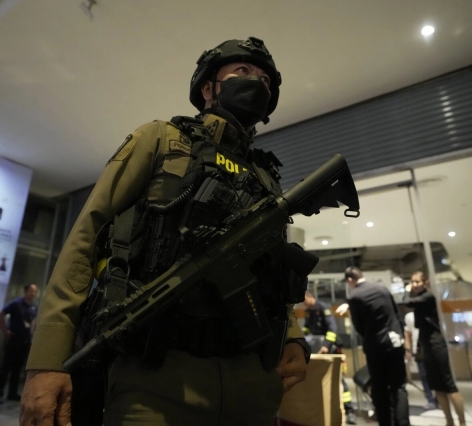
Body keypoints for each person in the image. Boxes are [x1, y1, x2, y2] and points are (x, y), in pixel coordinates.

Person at [21, 36, 313, 426]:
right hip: (157, 380)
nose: (256, 82)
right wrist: (48, 359)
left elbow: (272, 270)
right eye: (242, 71)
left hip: (254, 383)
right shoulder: (161, 140)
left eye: (265, 79)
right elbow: (86, 237)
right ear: (209, 87)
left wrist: (291, 335)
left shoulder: (265, 177)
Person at [340, 267, 409, 426]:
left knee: (380, 388)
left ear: (350, 280)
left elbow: (358, 327)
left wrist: (370, 336)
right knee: (399, 387)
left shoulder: (355, 296)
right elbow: (396, 315)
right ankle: (403, 423)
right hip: (395, 342)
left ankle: (385, 422)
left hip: (376, 345)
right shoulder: (382, 288)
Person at [404, 272, 465, 426]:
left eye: (417, 282)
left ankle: (462, 422)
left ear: (425, 282)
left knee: (448, 384)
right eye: (413, 282)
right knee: (437, 386)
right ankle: (449, 420)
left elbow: (407, 302)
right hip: (425, 343)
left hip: (436, 342)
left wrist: (406, 290)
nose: (415, 284)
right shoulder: (421, 300)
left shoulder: (428, 297)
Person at [304, 291, 357, 424]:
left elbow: (332, 330)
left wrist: (326, 345)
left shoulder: (323, 308)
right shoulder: (309, 311)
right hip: (317, 351)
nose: (303, 302)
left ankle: (349, 410)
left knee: (339, 379)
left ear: (310, 297)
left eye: (304, 299)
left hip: (331, 349)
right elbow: (307, 329)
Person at [0, 283, 39, 404]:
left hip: (25, 341)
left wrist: (31, 338)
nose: (34, 294)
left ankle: (12, 393)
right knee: (6, 367)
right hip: (14, 339)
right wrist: (6, 332)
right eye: (32, 291)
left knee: (18, 368)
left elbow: (33, 322)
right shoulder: (16, 303)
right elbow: (0, 315)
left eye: (35, 291)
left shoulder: (34, 306)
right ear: (26, 291)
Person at [404, 310, 438, 410]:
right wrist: (408, 350)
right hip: (418, 348)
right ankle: (430, 399)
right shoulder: (410, 316)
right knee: (424, 375)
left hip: (433, 347)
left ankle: (438, 399)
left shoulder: (431, 313)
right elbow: (407, 334)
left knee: (436, 375)